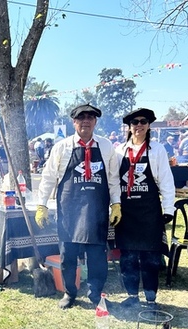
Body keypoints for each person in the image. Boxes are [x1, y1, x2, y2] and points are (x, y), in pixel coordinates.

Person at [35, 103, 122, 309]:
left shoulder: (106, 146)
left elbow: (113, 179)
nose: (85, 121)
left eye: (90, 118)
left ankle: (95, 294)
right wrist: (42, 205)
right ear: (74, 122)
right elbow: (48, 178)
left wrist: (116, 203)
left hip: (97, 211)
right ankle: (69, 293)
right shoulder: (62, 147)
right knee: (68, 256)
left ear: (95, 122)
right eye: (81, 117)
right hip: (69, 210)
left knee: (97, 257)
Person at [115, 108, 175, 310]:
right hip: (126, 212)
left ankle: (151, 299)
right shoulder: (119, 151)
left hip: (149, 211)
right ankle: (132, 296)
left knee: (150, 258)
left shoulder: (157, 150)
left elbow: (166, 180)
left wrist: (168, 208)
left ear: (149, 125)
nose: (138, 125)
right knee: (128, 257)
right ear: (129, 127)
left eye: (143, 121)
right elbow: (114, 181)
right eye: (134, 122)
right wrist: (113, 206)